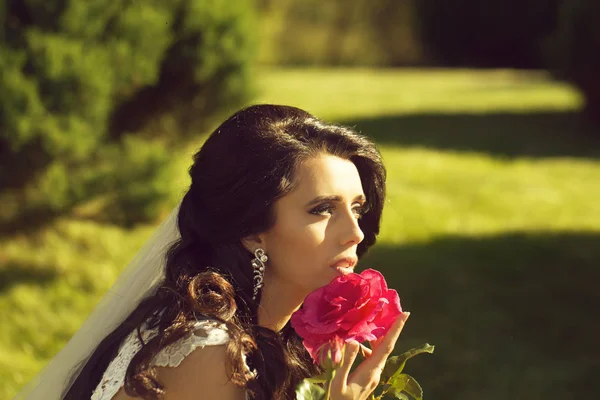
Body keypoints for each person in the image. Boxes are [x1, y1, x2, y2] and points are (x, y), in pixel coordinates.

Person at [15, 104, 410, 400]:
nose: (355, 232)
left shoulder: (262, 331)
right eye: (322, 209)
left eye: (357, 208)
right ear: (253, 231)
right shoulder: (211, 353)